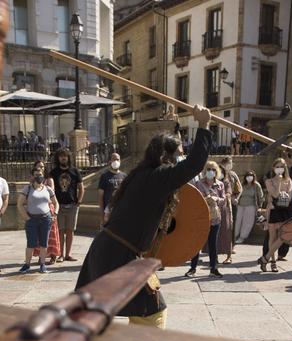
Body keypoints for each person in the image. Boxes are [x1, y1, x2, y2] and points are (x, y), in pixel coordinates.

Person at [75, 105, 213, 329]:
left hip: (109, 250)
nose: (180, 158)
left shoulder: (142, 175)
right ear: (164, 156)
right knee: (151, 313)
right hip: (119, 255)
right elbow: (194, 165)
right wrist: (204, 125)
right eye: (178, 154)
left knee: (105, 314)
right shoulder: (157, 177)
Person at [188, 160, 229, 277]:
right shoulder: (199, 184)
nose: (211, 172)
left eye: (213, 169)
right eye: (209, 169)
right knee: (197, 242)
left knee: (213, 243)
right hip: (201, 217)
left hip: (215, 218)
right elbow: (195, 199)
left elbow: (224, 200)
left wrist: (216, 199)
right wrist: (206, 199)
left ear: (217, 172)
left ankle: (213, 268)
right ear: (205, 171)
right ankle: (192, 268)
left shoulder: (220, 184)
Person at [17, 165, 57, 274]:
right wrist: (27, 218)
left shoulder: (48, 189)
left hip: (46, 219)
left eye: (40, 175)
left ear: (43, 175)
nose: (38, 177)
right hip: (32, 220)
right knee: (31, 243)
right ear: (32, 176)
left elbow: (55, 203)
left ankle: (42, 265)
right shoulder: (28, 189)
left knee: (44, 244)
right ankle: (27, 265)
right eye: (36, 175)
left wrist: (55, 214)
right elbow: (20, 204)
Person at [260, 157, 292, 272]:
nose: (279, 169)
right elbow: (274, 195)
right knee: (272, 236)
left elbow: (289, 197)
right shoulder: (269, 181)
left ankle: (266, 257)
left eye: (281, 167)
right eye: (277, 167)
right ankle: (272, 261)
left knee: (283, 236)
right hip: (273, 209)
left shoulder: (289, 181)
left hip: (284, 210)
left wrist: (283, 195)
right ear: (273, 168)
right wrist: (278, 183)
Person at [49, 147, 83, 262]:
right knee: (60, 230)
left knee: (70, 230)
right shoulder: (53, 172)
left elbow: (81, 187)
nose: (63, 158)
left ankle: (68, 254)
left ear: (68, 157)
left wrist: (79, 201)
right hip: (59, 206)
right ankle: (61, 255)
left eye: (65, 155)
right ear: (58, 158)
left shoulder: (75, 171)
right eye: (61, 156)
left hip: (72, 205)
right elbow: (49, 187)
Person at [30, 159, 61, 264]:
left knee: (51, 233)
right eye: (38, 166)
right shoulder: (32, 181)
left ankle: (53, 255)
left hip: (48, 208)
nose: (40, 169)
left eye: (42, 167)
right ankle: (41, 255)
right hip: (37, 210)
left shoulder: (49, 180)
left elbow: (50, 196)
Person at [218, 156, 241, 264]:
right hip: (220, 204)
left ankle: (231, 246)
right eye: (228, 163)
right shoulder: (218, 175)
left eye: (231, 163)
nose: (230, 165)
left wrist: (236, 198)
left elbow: (239, 188)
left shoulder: (233, 175)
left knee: (231, 225)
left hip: (232, 203)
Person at [234, 169, 264, 244]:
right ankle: (234, 236)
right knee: (237, 221)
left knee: (247, 222)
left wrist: (260, 206)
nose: (249, 177)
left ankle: (242, 237)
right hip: (240, 205)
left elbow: (260, 196)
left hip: (251, 206)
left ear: (254, 176)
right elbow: (237, 193)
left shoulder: (256, 185)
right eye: (248, 175)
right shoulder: (242, 184)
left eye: (251, 175)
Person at [98, 152, 126, 223]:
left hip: (121, 212)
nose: (115, 161)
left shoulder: (125, 176)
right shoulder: (104, 176)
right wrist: (102, 217)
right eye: (113, 159)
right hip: (109, 212)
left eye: (117, 159)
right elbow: (100, 197)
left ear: (120, 161)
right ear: (110, 161)